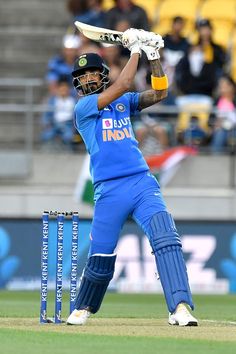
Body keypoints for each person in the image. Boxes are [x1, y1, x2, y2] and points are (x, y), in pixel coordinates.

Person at [66, 28, 198, 326]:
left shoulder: (124, 102)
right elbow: (125, 81)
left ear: (101, 74)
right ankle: (84, 306)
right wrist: (136, 47)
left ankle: (179, 307)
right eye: (82, 75)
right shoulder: (84, 108)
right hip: (109, 190)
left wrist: (153, 57)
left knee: (166, 238)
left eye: (92, 73)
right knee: (101, 257)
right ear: (77, 83)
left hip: (141, 182)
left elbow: (161, 92)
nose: (87, 78)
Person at [40, 78, 76, 151]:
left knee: (69, 136)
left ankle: (69, 151)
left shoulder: (73, 101)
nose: (63, 91)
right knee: (46, 135)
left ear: (68, 90)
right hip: (54, 124)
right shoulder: (52, 100)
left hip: (68, 124)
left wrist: (74, 127)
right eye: (61, 89)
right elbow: (46, 115)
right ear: (58, 89)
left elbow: (76, 117)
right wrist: (47, 124)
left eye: (65, 89)